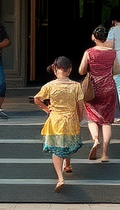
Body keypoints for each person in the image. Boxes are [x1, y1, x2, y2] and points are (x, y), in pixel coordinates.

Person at [33, 55, 85, 190]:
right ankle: (67, 164)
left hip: (55, 120)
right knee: (66, 143)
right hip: (71, 120)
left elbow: (37, 99)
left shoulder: (50, 86)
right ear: (70, 69)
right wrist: (79, 119)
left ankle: (60, 178)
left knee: (57, 149)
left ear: (55, 69)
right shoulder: (76, 86)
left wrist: (46, 108)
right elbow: (80, 107)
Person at [79, 25, 119, 161]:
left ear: (94, 37)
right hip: (109, 88)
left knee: (92, 118)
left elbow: (81, 71)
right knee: (106, 121)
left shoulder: (89, 53)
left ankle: (96, 139)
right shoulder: (112, 53)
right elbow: (117, 70)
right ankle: (105, 154)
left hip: (93, 89)